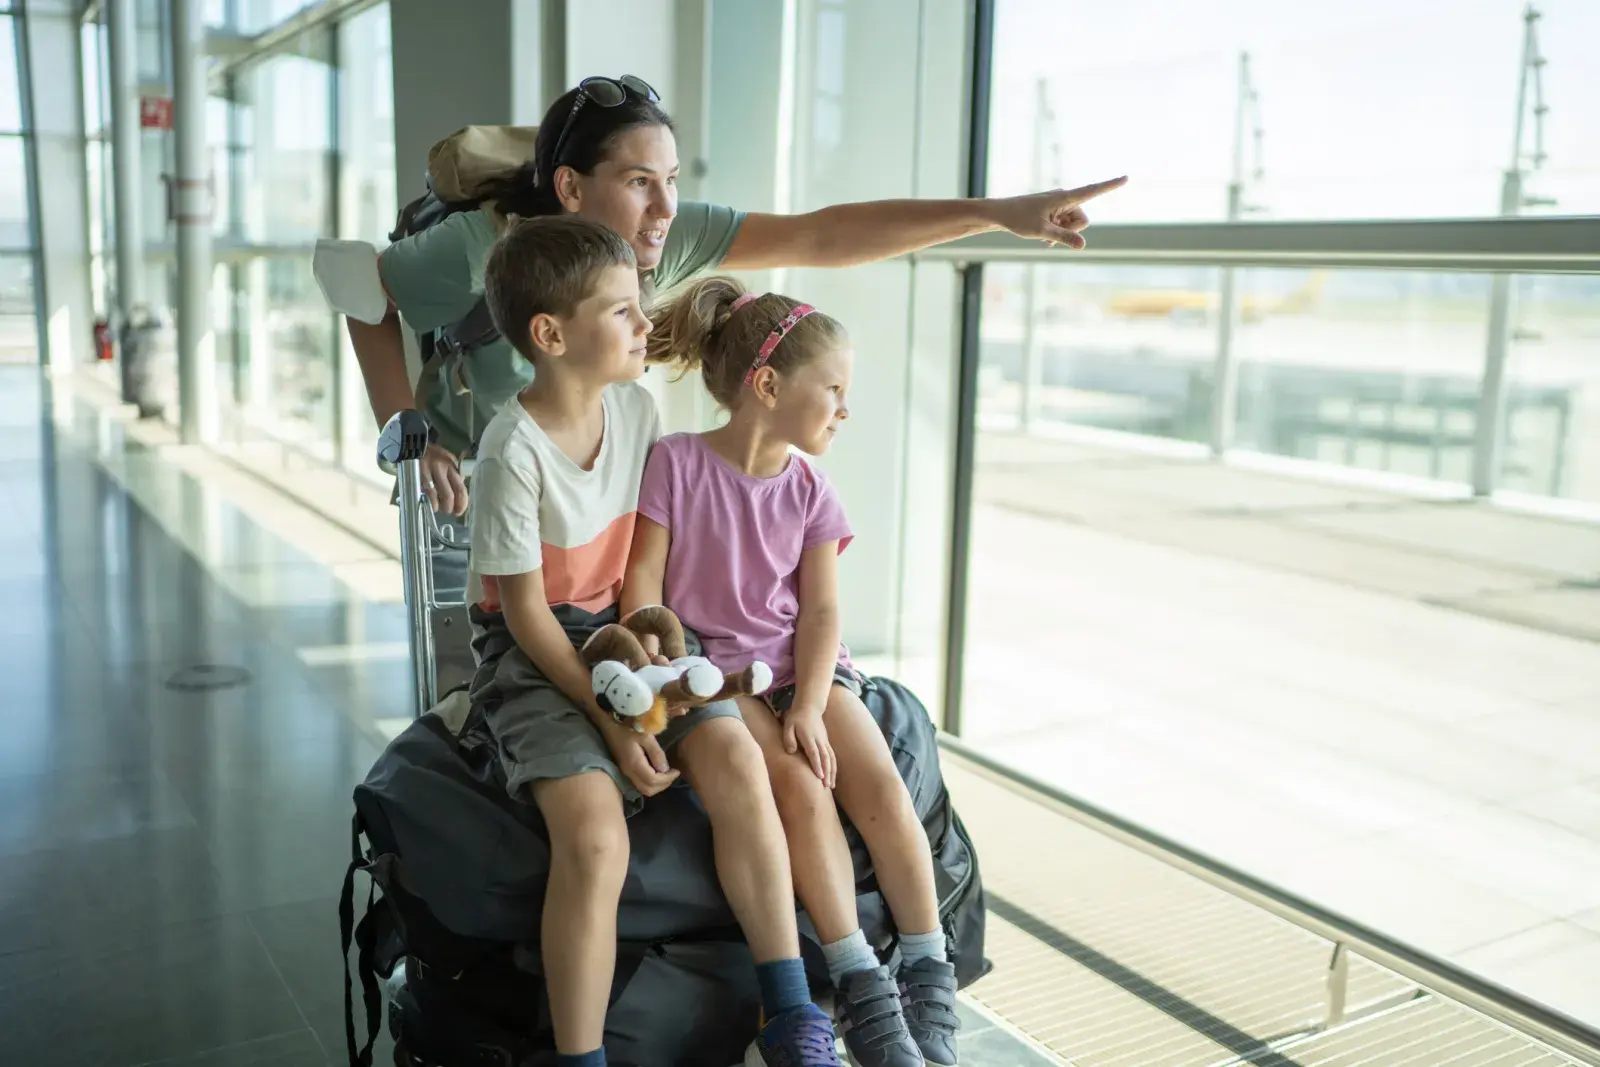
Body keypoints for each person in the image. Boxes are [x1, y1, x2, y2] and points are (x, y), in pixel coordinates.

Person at [349, 73, 1125, 695]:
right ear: (571, 188)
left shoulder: (662, 236)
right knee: (476, 705)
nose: (664, 209)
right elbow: (359, 290)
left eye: (673, 181)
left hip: (600, 513)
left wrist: (994, 214)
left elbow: (821, 233)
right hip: (480, 488)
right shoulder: (481, 246)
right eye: (639, 181)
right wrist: (408, 431)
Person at [466, 215, 843, 1067]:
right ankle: (581, 1057)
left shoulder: (636, 409)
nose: (645, 326)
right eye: (624, 312)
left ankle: (789, 1012)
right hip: (538, 653)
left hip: (635, 636)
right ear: (552, 335)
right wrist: (607, 721)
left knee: (741, 763)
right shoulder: (509, 451)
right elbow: (525, 619)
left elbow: (659, 562)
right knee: (598, 834)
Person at [624, 275, 957, 1067]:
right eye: (833, 388)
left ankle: (929, 971)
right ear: (768, 385)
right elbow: (642, 584)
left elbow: (820, 615)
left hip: (803, 668)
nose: (845, 407)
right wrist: (662, 672)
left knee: (878, 784)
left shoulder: (810, 486)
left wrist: (810, 703)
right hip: (717, 678)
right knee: (803, 793)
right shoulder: (674, 463)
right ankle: (862, 988)